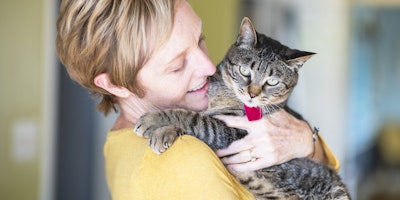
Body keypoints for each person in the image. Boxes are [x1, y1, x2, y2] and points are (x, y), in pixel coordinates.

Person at [56, 0, 339, 199]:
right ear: (115, 84)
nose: (209, 67)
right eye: (178, 64)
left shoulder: (118, 142)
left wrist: (306, 140)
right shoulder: (183, 159)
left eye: (200, 39)